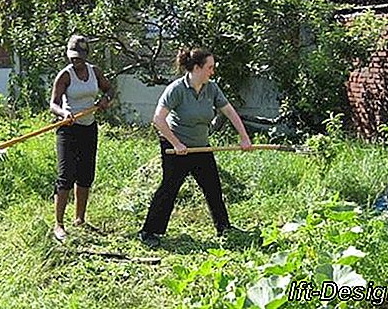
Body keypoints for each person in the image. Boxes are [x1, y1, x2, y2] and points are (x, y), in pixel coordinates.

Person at [138, 48, 253, 247]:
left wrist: (244, 137)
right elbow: (158, 119)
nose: (212, 71)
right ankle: (149, 232)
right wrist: (176, 143)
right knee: (169, 189)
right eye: (209, 67)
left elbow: (229, 111)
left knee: (213, 187)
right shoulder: (177, 89)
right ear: (197, 68)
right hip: (176, 147)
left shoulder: (212, 88)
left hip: (201, 147)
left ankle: (223, 227)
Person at [49, 35, 113, 241]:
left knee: (86, 175)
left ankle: (80, 219)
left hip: (89, 128)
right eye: (72, 57)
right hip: (68, 129)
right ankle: (58, 225)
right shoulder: (65, 76)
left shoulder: (95, 72)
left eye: (78, 58)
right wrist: (63, 114)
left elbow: (109, 89)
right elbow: (53, 104)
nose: (75, 61)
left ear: (86, 56)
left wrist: (105, 100)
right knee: (66, 175)